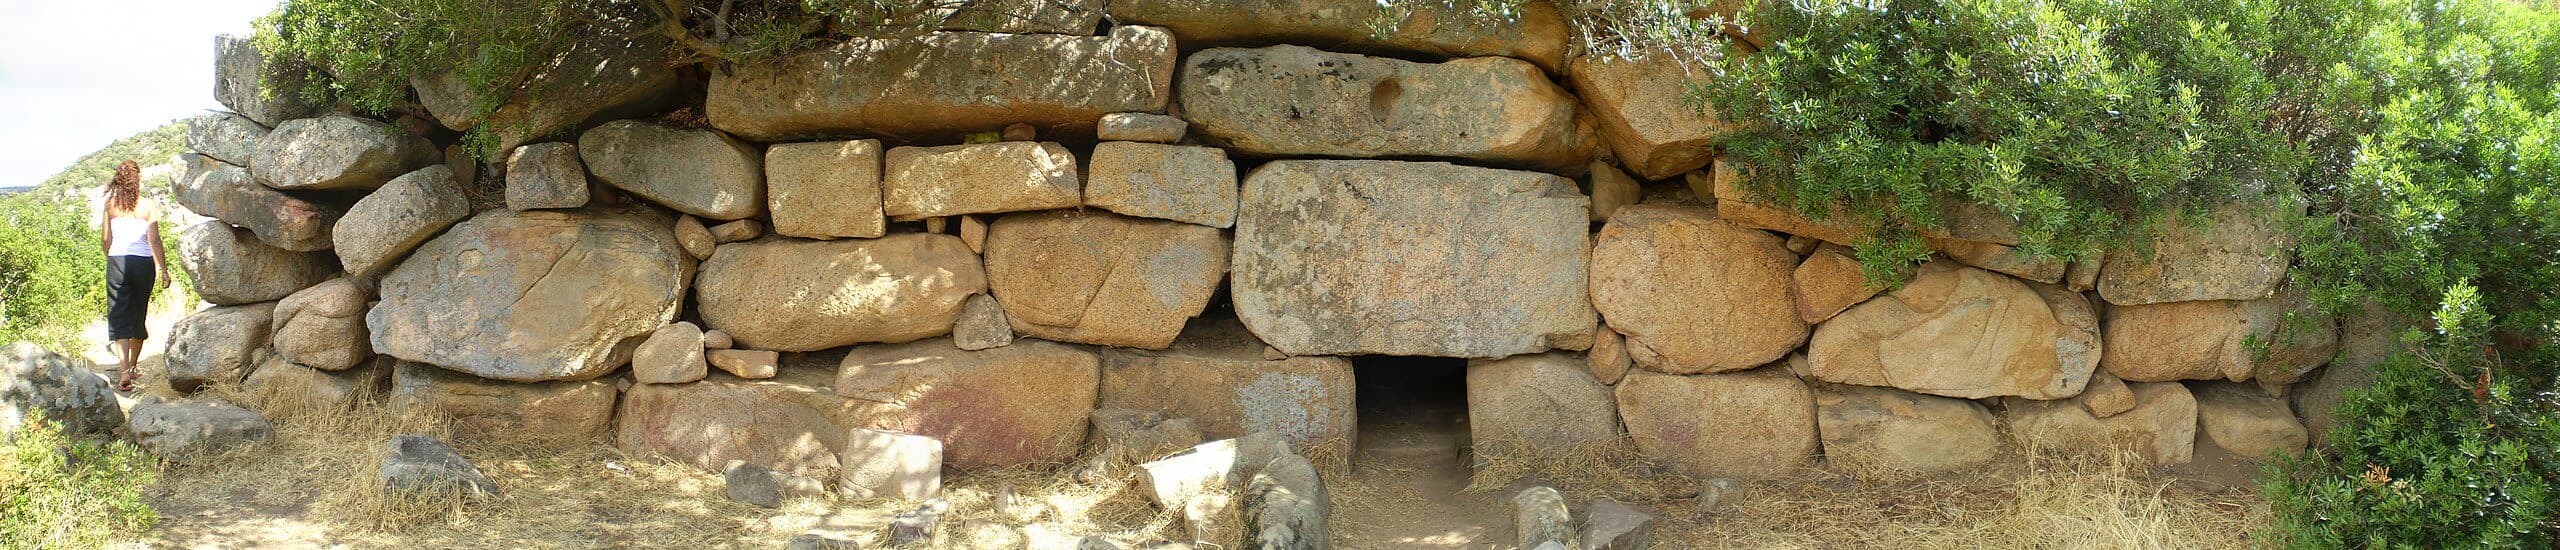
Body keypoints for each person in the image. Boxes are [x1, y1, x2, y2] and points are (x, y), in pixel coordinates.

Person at [98, 160, 167, 392]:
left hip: (117, 261)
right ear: (137, 180)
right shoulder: (147, 206)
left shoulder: (110, 204)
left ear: (117, 180)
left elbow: (106, 239)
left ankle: (124, 370)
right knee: (138, 314)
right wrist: (163, 270)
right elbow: (154, 241)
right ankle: (134, 365)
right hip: (142, 263)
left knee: (119, 316)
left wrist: (111, 258)